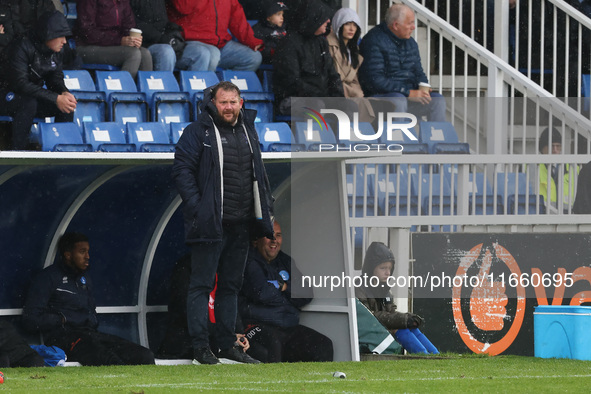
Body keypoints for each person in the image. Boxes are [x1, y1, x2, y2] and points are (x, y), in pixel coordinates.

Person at [172, 81, 274, 365]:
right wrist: (200, 209)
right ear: (213, 103)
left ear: (240, 102)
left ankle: (228, 344)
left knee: (231, 286)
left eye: (233, 102)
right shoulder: (197, 131)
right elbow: (181, 171)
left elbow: (259, 174)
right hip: (210, 225)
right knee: (201, 285)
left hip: (241, 224)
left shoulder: (248, 129)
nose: (228, 107)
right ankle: (201, 347)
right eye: (223, 102)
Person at [21, 232, 155, 366]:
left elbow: (91, 312)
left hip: (90, 334)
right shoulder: (48, 278)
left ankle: (145, 386)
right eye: (82, 252)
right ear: (68, 255)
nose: (87, 256)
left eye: (88, 252)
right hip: (64, 338)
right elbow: (30, 319)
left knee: (144, 355)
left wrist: (90, 321)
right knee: (109, 360)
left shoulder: (84, 280)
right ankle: (121, 386)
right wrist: (62, 319)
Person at [239, 221, 334, 363]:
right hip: (256, 325)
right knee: (273, 344)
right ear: (256, 240)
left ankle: (315, 385)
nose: (274, 241)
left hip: (286, 326)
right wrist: (290, 297)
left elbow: (306, 293)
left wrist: (283, 287)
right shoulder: (247, 261)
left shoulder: (285, 261)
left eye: (278, 235)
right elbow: (262, 293)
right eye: (269, 236)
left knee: (322, 344)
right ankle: (274, 385)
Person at [0, 10, 75, 150]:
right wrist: (55, 98)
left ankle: (63, 150)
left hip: (30, 97)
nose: (64, 41)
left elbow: (55, 78)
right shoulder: (21, 46)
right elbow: (20, 84)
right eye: (61, 36)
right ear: (49, 34)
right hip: (5, 95)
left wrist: (63, 92)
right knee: (28, 103)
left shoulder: (57, 50)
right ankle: (18, 153)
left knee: (67, 106)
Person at [156, 254, 253, 362]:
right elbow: (186, 310)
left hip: (217, 344)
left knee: (259, 353)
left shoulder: (225, 268)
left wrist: (239, 335)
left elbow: (230, 304)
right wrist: (227, 334)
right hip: (184, 346)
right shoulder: (188, 267)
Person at [358, 4, 446, 122]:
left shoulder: (411, 43)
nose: (413, 27)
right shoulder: (373, 40)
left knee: (437, 100)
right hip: (379, 98)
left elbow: (418, 72)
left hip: (406, 96)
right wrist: (407, 93)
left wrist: (423, 87)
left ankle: (437, 138)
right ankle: (398, 139)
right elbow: (375, 81)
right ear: (395, 25)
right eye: (410, 23)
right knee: (398, 100)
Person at [356, 241, 438, 355]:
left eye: (390, 268)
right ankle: (423, 355)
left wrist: (407, 319)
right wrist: (404, 320)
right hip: (368, 335)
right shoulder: (360, 288)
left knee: (411, 328)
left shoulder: (385, 289)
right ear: (371, 269)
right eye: (383, 268)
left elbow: (391, 313)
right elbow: (370, 317)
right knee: (401, 328)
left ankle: (435, 354)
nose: (388, 272)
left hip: (382, 330)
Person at [273, 0, 344, 115]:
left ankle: (338, 133)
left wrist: (338, 98)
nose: (328, 21)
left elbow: (333, 75)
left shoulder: (321, 42)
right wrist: (321, 95)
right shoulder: (289, 44)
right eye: (324, 17)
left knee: (348, 106)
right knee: (316, 106)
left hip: (320, 97)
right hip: (292, 99)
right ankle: (314, 133)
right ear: (314, 18)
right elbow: (291, 82)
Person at [166, 0, 263, 72]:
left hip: (220, 43)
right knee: (212, 54)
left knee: (253, 58)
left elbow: (237, 17)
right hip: (191, 41)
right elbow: (183, 7)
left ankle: (227, 93)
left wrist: (252, 41)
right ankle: (203, 94)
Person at [74, 0, 152, 79]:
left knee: (145, 54)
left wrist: (133, 40)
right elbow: (87, 32)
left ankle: (143, 90)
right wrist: (119, 40)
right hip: (87, 47)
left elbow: (128, 26)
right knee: (133, 54)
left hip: (114, 46)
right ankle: (123, 89)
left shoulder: (123, 1)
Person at [326, 7, 377, 123]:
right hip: (336, 94)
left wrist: (358, 93)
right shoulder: (328, 45)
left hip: (353, 93)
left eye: (355, 25)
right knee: (352, 107)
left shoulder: (354, 50)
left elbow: (354, 80)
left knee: (379, 107)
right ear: (339, 24)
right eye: (347, 24)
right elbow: (334, 77)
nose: (351, 29)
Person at [129, 0, 187, 72]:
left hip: (164, 42)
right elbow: (133, 23)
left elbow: (163, 21)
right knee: (166, 52)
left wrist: (173, 31)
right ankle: (162, 82)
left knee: (201, 54)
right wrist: (160, 37)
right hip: (143, 45)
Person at [538, 127, 578, 213]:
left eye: (558, 146)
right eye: (551, 146)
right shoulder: (532, 167)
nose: (555, 150)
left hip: (568, 220)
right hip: (540, 218)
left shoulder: (573, 168)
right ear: (542, 148)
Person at [252, 0, 288, 64]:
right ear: (268, 17)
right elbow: (258, 47)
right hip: (269, 60)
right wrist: (272, 50)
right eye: (278, 14)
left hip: (285, 59)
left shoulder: (285, 28)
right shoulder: (260, 29)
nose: (282, 17)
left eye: (282, 14)